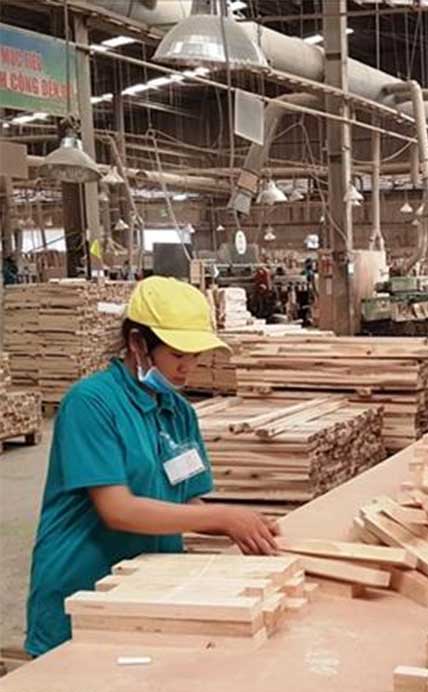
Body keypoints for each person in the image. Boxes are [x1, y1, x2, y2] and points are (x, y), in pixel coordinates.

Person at [25, 276, 280, 657]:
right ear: (137, 343)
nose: (187, 368)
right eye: (177, 355)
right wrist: (223, 518)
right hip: (84, 589)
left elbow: (185, 501)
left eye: (195, 356)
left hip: (151, 590)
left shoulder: (178, 411)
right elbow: (118, 509)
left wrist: (245, 526)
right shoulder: (91, 404)